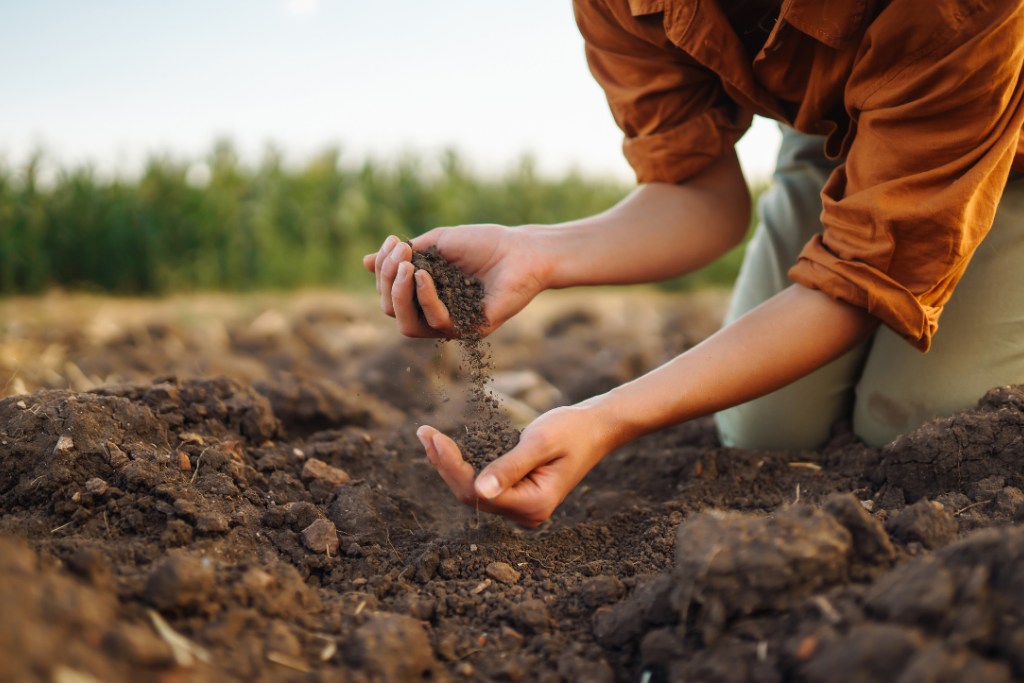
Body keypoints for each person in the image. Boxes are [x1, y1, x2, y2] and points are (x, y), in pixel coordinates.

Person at [364, 0, 1024, 527]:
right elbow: (700, 196)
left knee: (920, 428)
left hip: (997, 128)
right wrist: (535, 252)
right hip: (840, 129)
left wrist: (608, 417)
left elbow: (859, 279)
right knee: (766, 429)